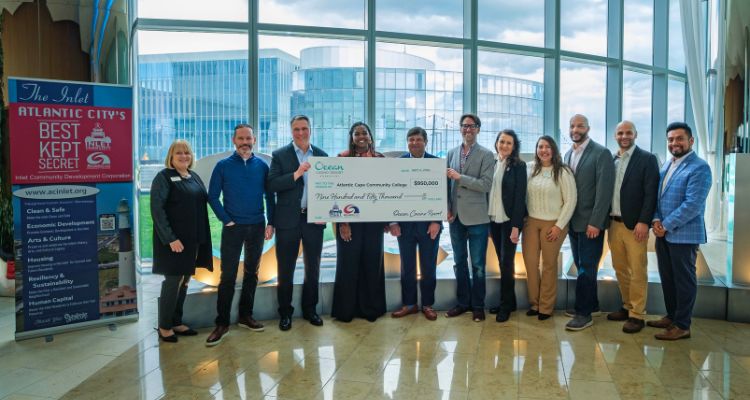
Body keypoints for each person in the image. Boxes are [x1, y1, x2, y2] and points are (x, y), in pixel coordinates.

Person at [205, 124, 275, 346]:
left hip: (257, 225)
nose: (245, 142)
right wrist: (227, 220)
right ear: (233, 141)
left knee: (252, 272)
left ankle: (246, 315)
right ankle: (222, 323)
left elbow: (269, 197)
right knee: (227, 275)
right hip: (233, 228)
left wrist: (270, 222)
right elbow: (213, 197)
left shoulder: (262, 166)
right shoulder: (223, 166)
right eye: (241, 139)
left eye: (249, 138)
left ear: (254, 140)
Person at [649, 122, 712, 340]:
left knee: (683, 280)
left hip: (683, 235)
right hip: (663, 233)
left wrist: (665, 225)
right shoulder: (667, 165)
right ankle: (672, 316)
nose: (674, 143)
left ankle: (682, 325)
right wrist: (656, 220)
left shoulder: (699, 167)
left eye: (679, 138)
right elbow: (657, 197)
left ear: (691, 141)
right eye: (671, 139)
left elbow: (693, 205)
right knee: (667, 278)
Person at [268, 115, 327, 331]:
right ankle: (285, 313)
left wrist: (327, 210)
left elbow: (328, 189)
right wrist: (296, 173)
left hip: (314, 219)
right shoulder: (280, 155)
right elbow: (272, 184)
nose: (300, 133)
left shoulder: (321, 155)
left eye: (304, 128)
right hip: (287, 220)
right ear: (290, 131)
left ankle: (310, 309)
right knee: (286, 268)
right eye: (296, 129)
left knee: (313, 268)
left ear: (310, 129)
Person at [150, 139, 212, 343]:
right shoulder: (163, 177)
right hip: (174, 242)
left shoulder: (193, 176)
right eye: (179, 153)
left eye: (187, 153)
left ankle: (176, 322)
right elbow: (157, 211)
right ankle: (164, 326)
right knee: (172, 281)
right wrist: (170, 239)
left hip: (192, 240)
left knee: (184, 281)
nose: (184, 156)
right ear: (171, 157)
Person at [606, 121, 660, 334]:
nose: (624, 136)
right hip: (613, 223)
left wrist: (644, 221)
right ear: (615, 135)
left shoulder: (647, 159)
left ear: (636, 134)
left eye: (628, 132)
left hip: (635, 225)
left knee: (638, 269)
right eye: (620, 132)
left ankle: (637, 314)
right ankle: (627, 306)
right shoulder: (613, 159)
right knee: (620, 268)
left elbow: (651, 193)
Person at [331, 122, 387, 322]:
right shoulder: (342, 158)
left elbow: (387, 191)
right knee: (348, 264)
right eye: (357, 133)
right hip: (349, 221)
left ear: (370, 136)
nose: (361, 136)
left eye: (364, 133)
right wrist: (343, 223)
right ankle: (346, 311)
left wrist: (388, 220)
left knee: (372, 264)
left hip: (373, 222)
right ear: (352, 137)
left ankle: (370, 309)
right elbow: (336, 191)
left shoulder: (381, 159)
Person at [563, 114, 615, 331]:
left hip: (590, 224)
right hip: (573, 222)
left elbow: (604, 192)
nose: (576, 129)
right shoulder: (567, 154)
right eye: (572, 125)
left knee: (586, 268)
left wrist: (596, 222)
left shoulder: (601, 153)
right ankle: (592, 305)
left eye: (580, 126)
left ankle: (583, 314)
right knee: (582, 265)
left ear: (588, 128)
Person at [389, 127, 443, 321]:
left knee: (429, 266)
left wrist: (436, 220)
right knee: (407, 266)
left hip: (430, 226)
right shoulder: (397, 164)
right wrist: (393, 222)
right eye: (411, 140)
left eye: (418, 139)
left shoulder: (436, 164)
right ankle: (409, 304)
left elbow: (442, 194)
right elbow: (392, 193)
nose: (414, 143)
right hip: (404, 226)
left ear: (425, 141)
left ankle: (428, 304)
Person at [445, 113, 495, 322]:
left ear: (478, 129)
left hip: (477, 218)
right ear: (460, 129)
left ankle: (477, 306)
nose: (468, 129)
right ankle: (463, 303)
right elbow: (447, 185)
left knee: (478, 265)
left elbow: (485, 184)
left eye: (472, 126)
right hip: (455, 217)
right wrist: (447, 208)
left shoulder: (486, 154)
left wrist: (460, 177)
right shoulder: (451, 153)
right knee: (459, 262)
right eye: (464, 126)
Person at [522, 136, 577, 320]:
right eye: (540, 147)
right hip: (530, 222)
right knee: (530, 264)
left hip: (553, 224)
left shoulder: (563, 172)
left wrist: (559, 226)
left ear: (553, 149)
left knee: (549, 265)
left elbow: (571, 201)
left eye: (547, 147)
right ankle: (534, 303)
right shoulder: (530, 168)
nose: (543, 150)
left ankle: (546, 307)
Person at [487, 129, 527, 322]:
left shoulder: (519, 166)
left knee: (507, 263)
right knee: (502, 263)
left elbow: (520, 198)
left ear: (514, 146)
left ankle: (506, 306)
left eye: (508, 143)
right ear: (496, 143)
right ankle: (510, 302)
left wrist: (516, 227)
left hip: (509, 222)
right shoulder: (492, 163)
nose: (504, 145)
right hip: (493, 221)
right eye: (501, 141)